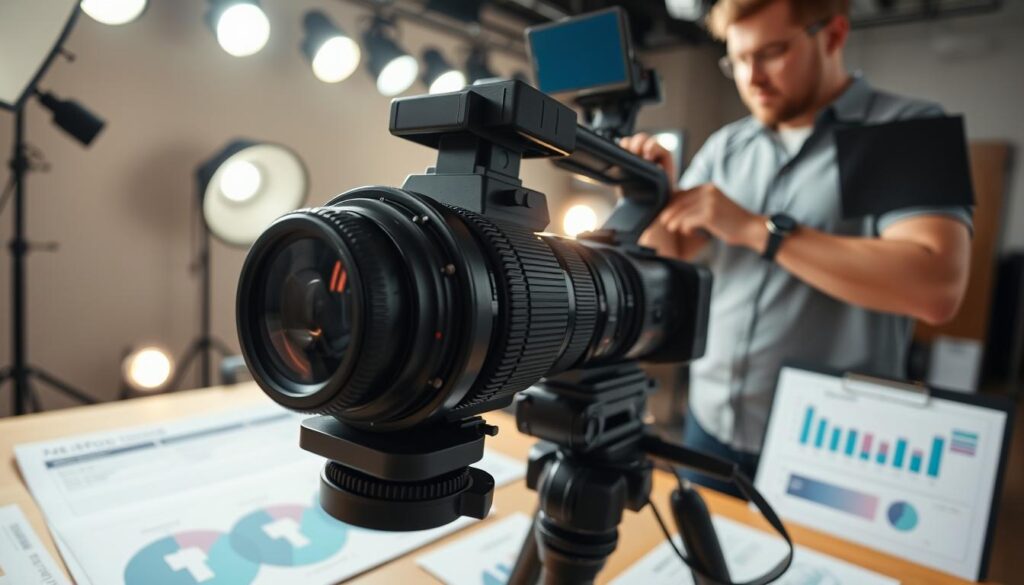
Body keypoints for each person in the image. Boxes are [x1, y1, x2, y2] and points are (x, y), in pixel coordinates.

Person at [620, 0, 972, 495]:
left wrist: (757, 230)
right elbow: (672, 250)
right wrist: (647, 195)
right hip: (711, 423)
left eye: (772, 52)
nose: (752, 77)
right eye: (738, 60)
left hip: (833, 444)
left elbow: (935, 285)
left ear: (832, 35)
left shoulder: (903, 128)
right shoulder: (729, 146)